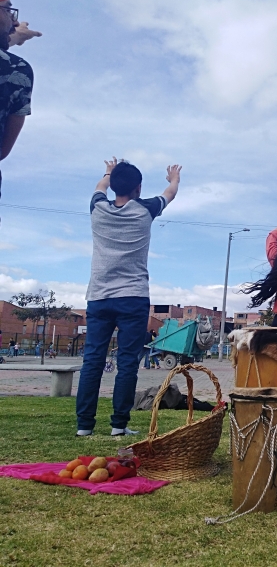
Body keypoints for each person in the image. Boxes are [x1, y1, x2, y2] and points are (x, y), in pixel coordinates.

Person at [75, 157, 181, 437]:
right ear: (138, 188)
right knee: (127, 362)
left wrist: (108, 172)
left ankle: (84, 426)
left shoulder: (97, 208)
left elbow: (100, 186)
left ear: (113, 186)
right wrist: (173, 178)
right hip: (132, 297)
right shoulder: (144, 210)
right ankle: (118, 425)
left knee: (93, 361)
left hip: (98, 297)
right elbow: (170, 193)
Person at [0, 0, 40, 193]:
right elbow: (2, 150)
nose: (14, 21)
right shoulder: (18, 70)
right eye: (8, 10)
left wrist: (12, 38)